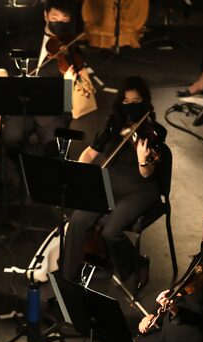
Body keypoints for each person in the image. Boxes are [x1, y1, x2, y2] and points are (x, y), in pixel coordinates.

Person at [61, 76, 166, 283]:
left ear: (145, 102)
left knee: (112, 232)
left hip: (139, 190)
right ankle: (66, 280)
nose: (130, 107)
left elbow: (147, 173)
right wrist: (82, 173)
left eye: (136, 102)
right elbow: (89, 154)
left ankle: (137, 263)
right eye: (126, 102)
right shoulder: (113, 126)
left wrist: (143, 160)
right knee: (78, 220)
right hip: (108, 183)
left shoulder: (155, 132)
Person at [0, 0, 91, 162]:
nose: (59, 22)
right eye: (55, 17)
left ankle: (45, 176)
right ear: (45, 15)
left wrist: (70, 81)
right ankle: (24, 170)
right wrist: (3, 73)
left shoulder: (71, 46)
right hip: (23, 104)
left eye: (65, 19)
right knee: (10, 139)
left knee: (55, 146)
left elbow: (76, 85)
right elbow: (5, 61)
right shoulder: (27, 36)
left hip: (52, 110)